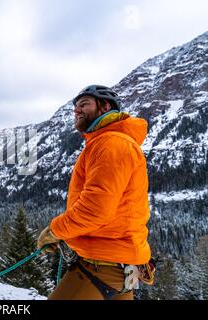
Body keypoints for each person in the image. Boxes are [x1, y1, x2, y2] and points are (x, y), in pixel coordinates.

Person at [37, 85, 154, 300]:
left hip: (101, 266)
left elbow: (94, 211)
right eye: (75, 107)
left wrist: (55, 231)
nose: (77, 110)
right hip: (121, 268)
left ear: (105, 106)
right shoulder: (111, 141)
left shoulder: (111, 143)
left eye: (84, 104)